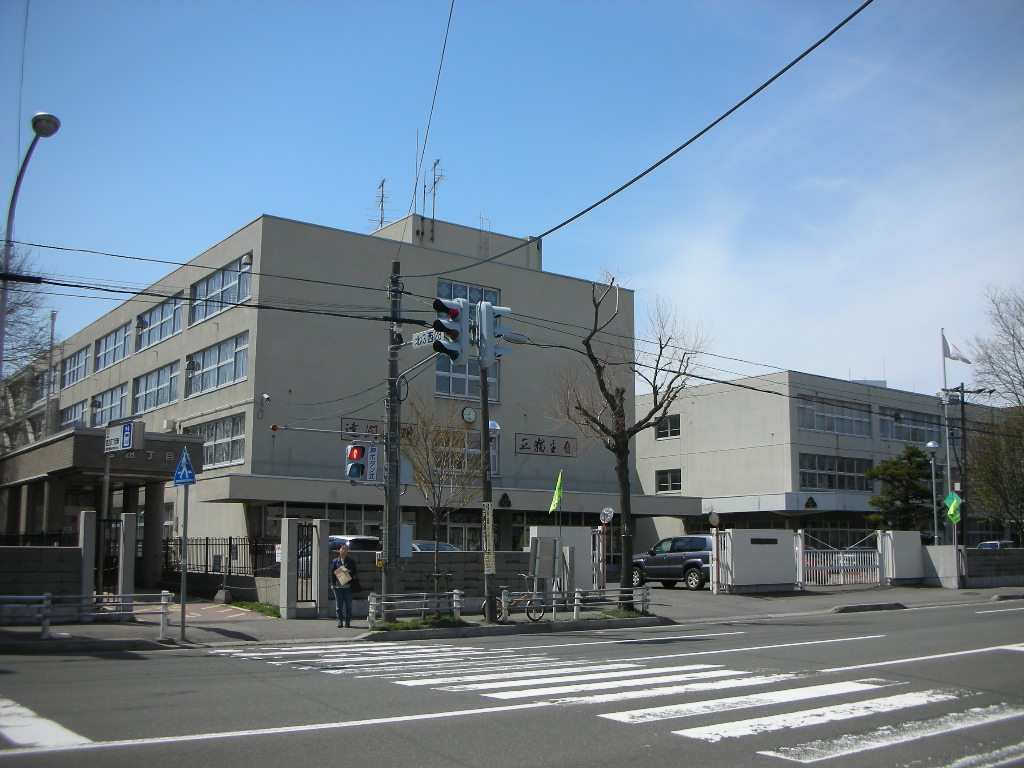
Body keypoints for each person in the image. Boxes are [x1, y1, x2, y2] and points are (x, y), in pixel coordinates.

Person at [329, 543, 357, 628]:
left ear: (347, 551)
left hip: (348, 586)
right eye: (342, 549)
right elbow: (332, 574)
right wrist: (332, 584)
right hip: (338, 586)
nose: (344, 551)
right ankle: (340, 621)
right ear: (339, 551)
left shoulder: (351, 561)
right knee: (338, 606)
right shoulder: (335, 561)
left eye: (345, 549)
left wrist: (349, 571)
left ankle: (347, 621)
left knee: (348, 605)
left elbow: (355, 571)